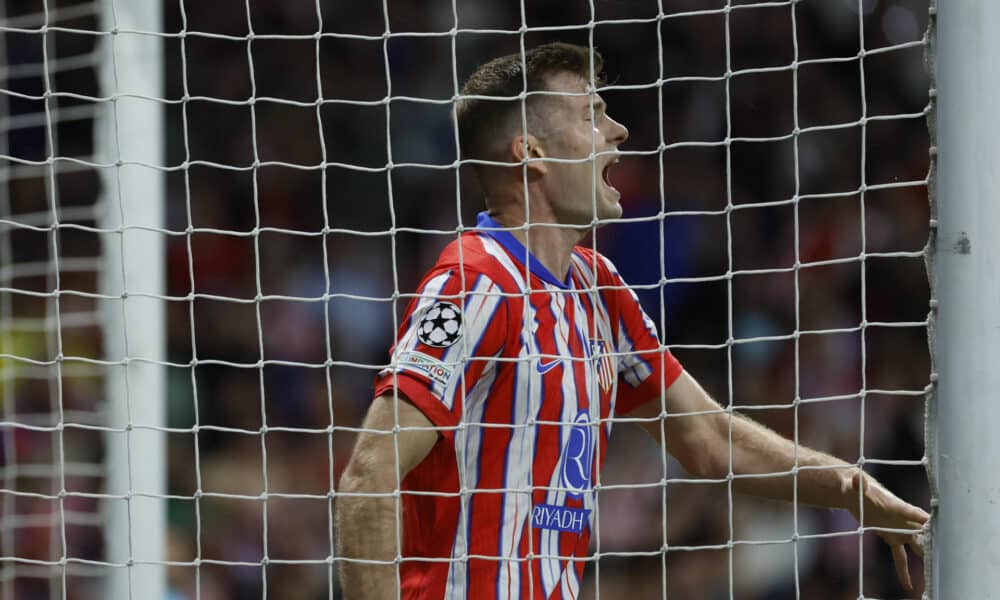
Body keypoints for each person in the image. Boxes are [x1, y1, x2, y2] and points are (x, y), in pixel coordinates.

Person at [335, 42, 928, 599]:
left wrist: (849, 488)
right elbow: (368, 476)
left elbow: (709, 440)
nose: (617, 131)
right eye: (591, 113)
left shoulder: (598, 287)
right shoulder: (475, 284)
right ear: (530, 151)